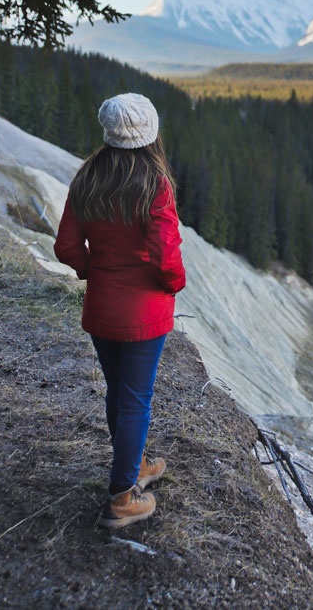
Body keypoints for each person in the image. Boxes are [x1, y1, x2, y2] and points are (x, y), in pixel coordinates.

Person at [54, 92, 186, 530]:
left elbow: (66, 246)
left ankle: (135, 465)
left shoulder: (87, 178)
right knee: (136, 401)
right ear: (149, 133)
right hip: (144, 314)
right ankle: (122, 497)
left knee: (119, 393)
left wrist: (96, 271)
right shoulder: (155, 184)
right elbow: (166, 257)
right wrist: (173, 285)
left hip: (102, 309)